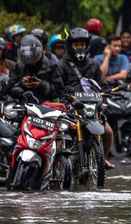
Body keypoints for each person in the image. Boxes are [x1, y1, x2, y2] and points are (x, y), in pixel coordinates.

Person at [55, 27, 114, 169]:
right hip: (70, 109)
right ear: (70, 46)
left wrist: (106, 95)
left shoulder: (93, 64)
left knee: (108, 132)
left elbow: (103, 84)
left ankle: (102, 159)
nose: (80, 47)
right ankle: (55, 164)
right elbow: (57, 88)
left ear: (87, 46)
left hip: (91, 108)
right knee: (59, 135)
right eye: (76, 44)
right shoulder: (61, 65)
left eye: (82, 44)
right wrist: (66, 102)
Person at [8, 35, 62, 103]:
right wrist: (21, 84)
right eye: (27, 60)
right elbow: (10, 88)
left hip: (46, 105)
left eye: (33, 59)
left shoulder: (51, 66)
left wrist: (42, 84)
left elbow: (59, 90)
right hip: (23, 104)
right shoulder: (19, 66)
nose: (31, 62)